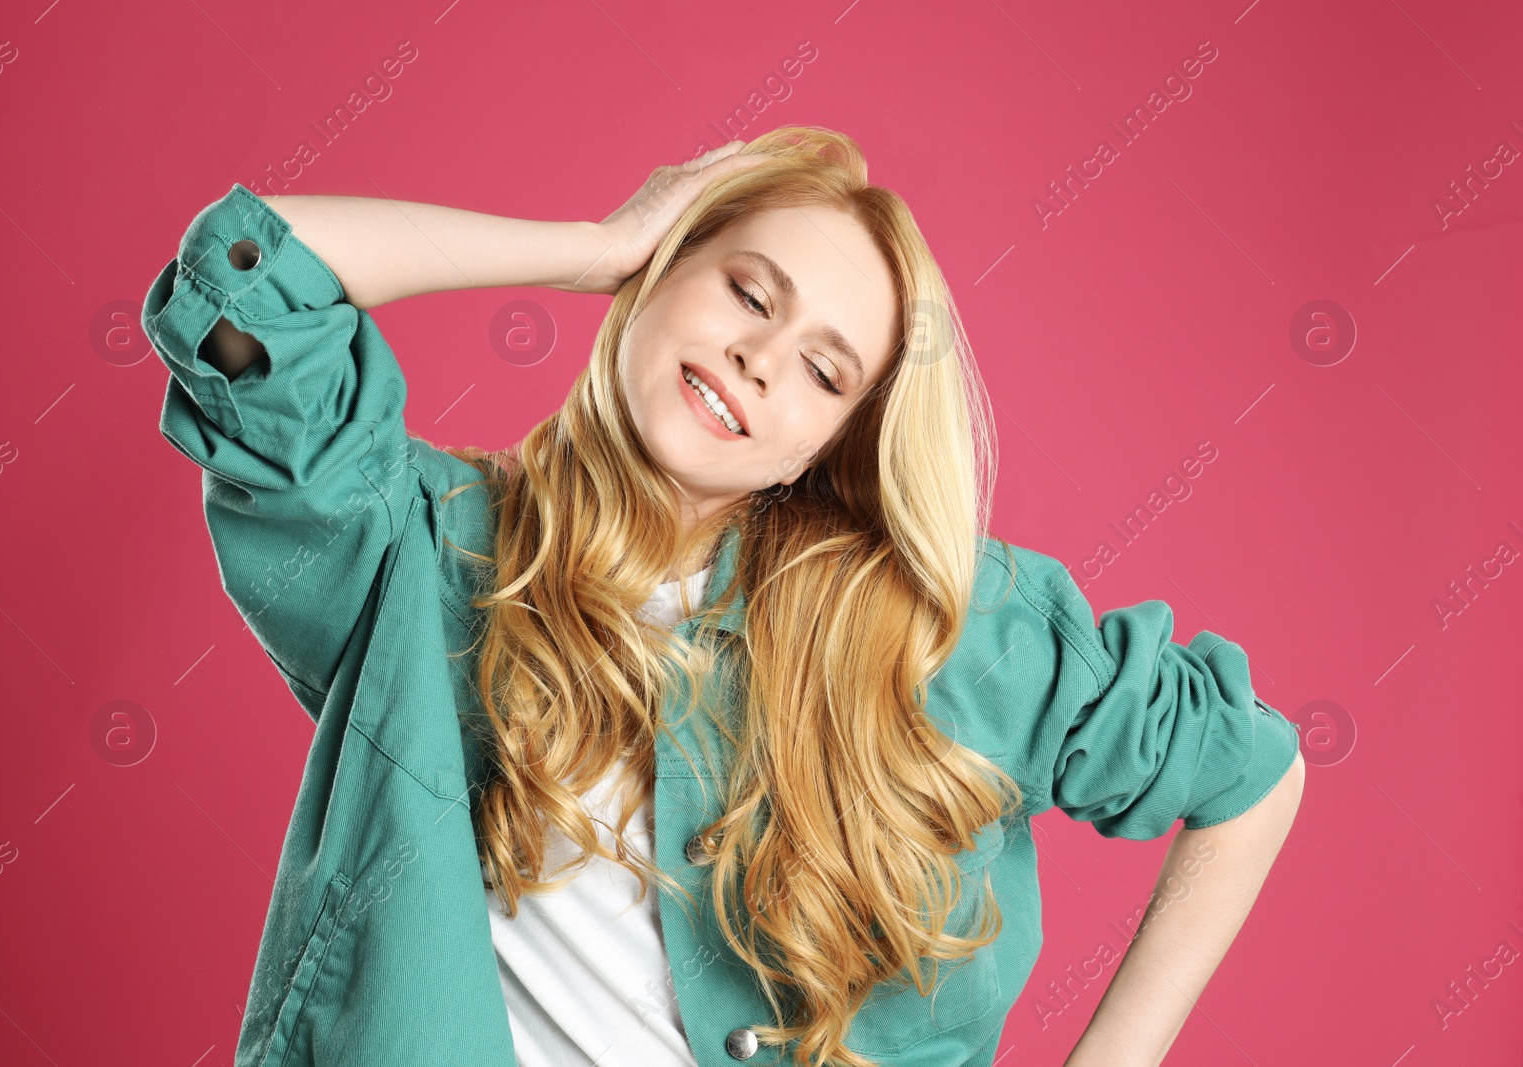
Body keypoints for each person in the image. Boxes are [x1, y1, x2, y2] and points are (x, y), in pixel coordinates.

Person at [142, 125, 1304, 1067]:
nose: (760, 357)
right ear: (661, 273)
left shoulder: (945, 630)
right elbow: (252, 289)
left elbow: (1250, 769)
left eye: (822, 368)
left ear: (825, 444)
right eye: (749, 293)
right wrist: (594, 243)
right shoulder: (430, 554)